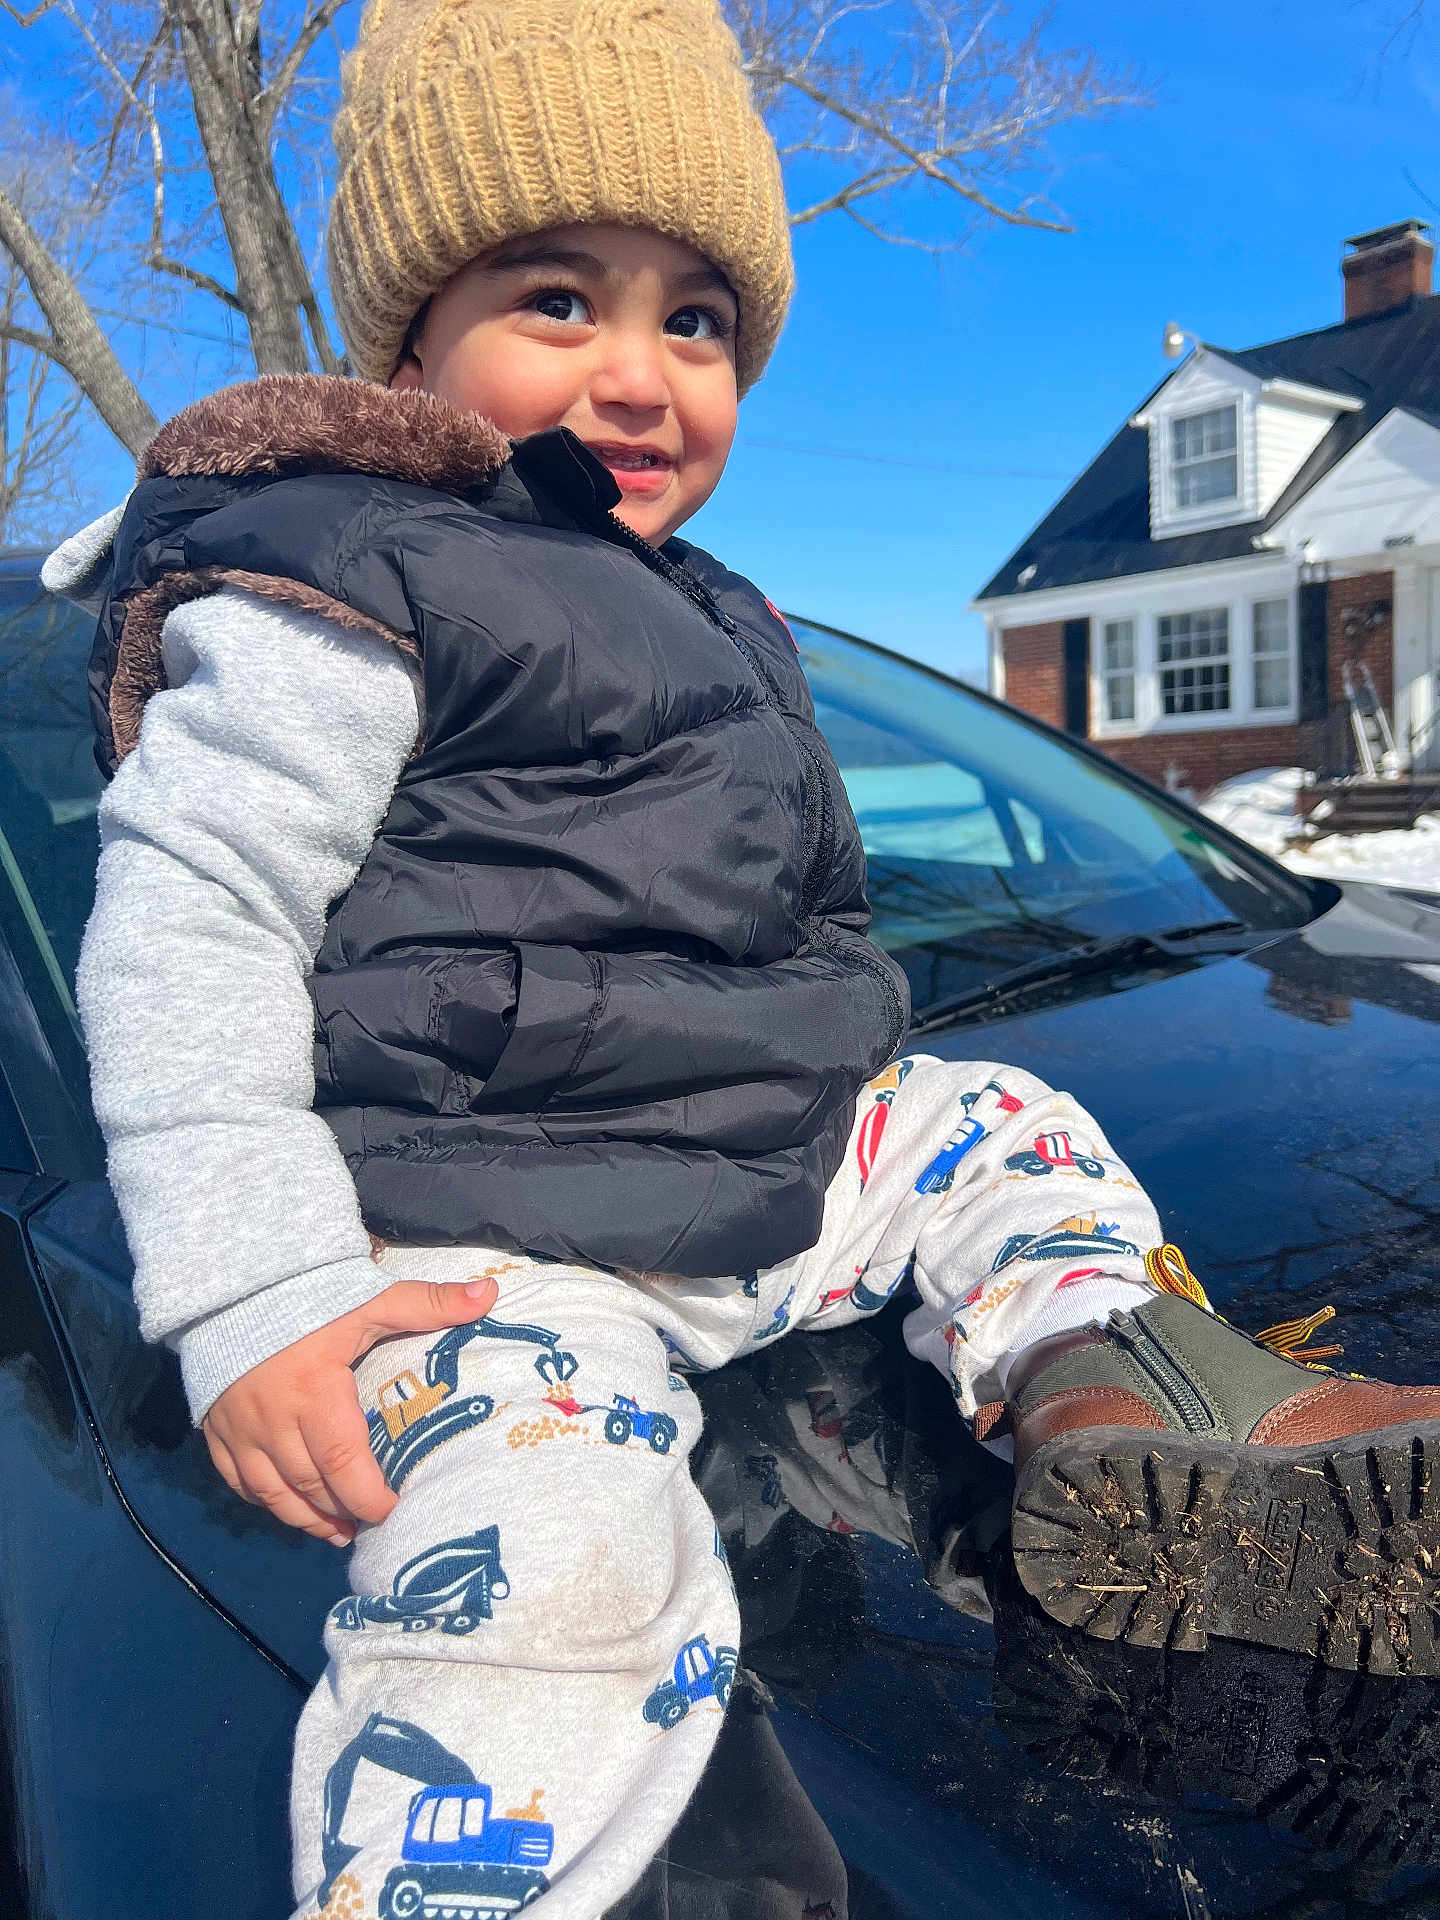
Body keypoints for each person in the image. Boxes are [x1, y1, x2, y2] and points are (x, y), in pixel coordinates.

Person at [44, 0, 1440, 1911]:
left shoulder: (702, 611)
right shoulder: (334, 578)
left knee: (999, 1118)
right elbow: (191, 920)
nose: (641, 372)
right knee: (555, 1560)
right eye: (558, 298)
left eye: (695, 319)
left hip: (762, 1183)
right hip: (486, 1238)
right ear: (409, 341)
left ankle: (1140, 1412)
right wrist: (258, 1295)